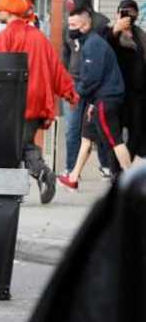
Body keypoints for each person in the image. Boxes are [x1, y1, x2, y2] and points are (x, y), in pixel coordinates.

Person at [0, 0, 79, 204]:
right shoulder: (38, 36)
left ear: (9, 12)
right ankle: (26, 183)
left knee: (15, 144)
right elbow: (56, 67)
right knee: (22, 142)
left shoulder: (6, 36)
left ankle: (41, 174)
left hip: (17, 101)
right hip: (38, 100)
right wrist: (70, 93)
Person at [57, 11, 132, 191]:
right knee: (86, 138)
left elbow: (92, 78)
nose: (70, 30)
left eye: (73, 26)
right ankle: (73, 178)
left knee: (115, 140)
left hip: (106, 99)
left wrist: (77, 94)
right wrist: (89, 102)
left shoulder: (93, 44)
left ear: (85, 26)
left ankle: (133, 182)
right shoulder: (88, 43)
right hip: (97, 99)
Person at [62, 0, 112, 178]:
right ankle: (71, 167)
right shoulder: (68, 25)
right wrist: (64, 80)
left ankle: (106, 165)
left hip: (95, 84)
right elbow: (64, 55)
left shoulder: (101, 24)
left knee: (99, 126)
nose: (68, 2)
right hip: (73, 84)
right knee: (72, 128)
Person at [105, 0, 146, 163]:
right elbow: (108, 43)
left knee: (136, 133)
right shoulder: (111, 33)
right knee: (115, 136)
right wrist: (116, 29)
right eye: (124, 11)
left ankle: (125, 164)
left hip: (138, 94)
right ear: (117, 13)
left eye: (132, 12)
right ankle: (116, 169)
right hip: (118, 93)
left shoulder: (140, 35)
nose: (129, 15)